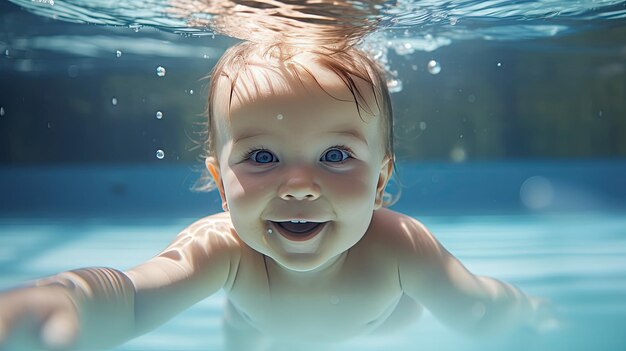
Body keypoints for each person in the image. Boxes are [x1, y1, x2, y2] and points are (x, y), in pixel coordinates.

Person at [0, 41, 552, 351]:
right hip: (252, 330)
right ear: (220, 184)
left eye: (336, 155)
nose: (300, 184)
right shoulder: (221, 250)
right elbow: (133, 297)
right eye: (262, 157)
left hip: (384, 328)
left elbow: (478, 308)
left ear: (381, 183)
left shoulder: (401, 246)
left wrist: (532, 316)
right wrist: (65, 300)